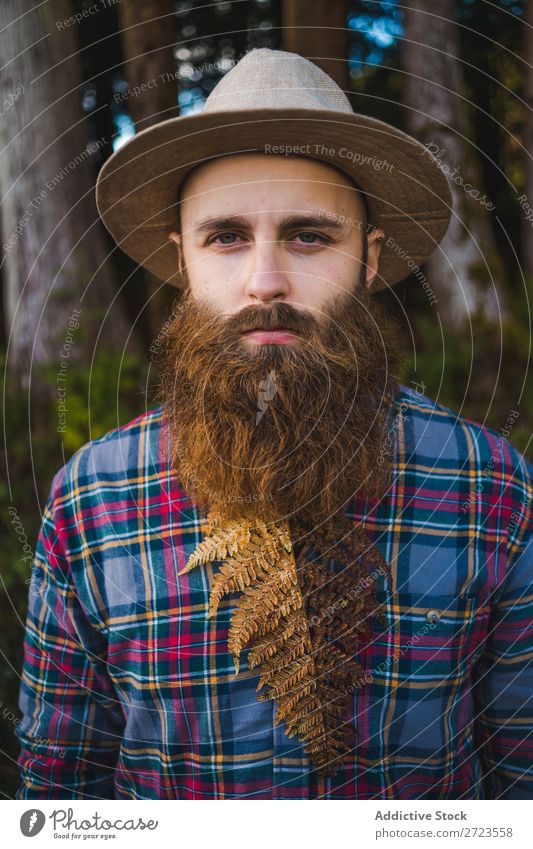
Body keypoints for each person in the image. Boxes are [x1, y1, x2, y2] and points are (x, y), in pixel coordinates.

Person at [16, 48, 532, 800]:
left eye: (309, 236)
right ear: (183, 261)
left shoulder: (484, 481)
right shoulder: (92, 495)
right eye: (226, 236)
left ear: (367, 257)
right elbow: (61, 787)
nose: (265, 280)